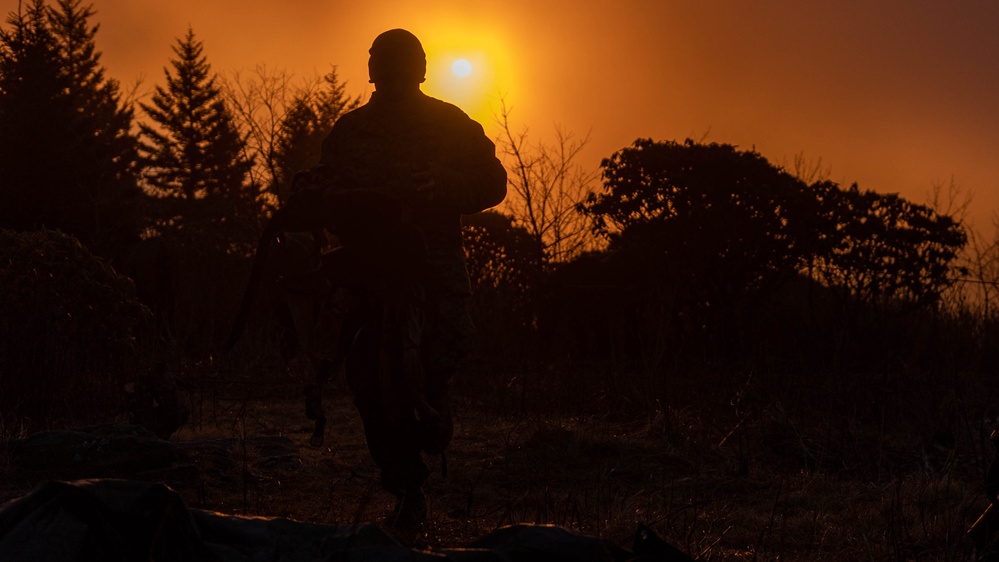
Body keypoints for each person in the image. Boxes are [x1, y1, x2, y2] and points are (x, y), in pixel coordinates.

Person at [316, 28, 507, 529]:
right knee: (368, 378)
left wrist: (442, 184)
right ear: (372, 68)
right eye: (384, 61)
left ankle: (434, 409)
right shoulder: (350, 131)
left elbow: (493, 182)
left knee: (444, 351)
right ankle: (406, 487)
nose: (393, 71)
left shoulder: (449, 124)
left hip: (435, 267)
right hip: (370, 272)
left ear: (422, 69)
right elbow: (321, 185)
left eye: (403, 62)